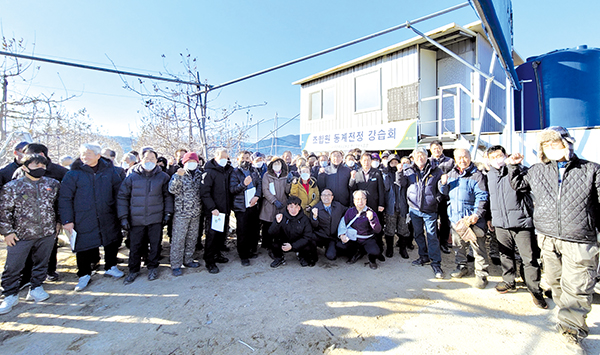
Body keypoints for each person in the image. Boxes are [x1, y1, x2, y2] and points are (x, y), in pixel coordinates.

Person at [506, 126, 600, 350]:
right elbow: (519, 184)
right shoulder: (538, 170)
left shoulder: (590, 170)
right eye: (546, 145)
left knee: (577, 286)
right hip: (547, 237)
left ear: (567, 143)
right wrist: (513, 165)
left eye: (554, 143)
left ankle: (572, 331)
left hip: (579, 238)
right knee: (556, 283)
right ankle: (566, 318)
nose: (550, 148)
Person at [484, 145, 546, 308]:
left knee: (529, 258)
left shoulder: (519, 170)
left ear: (506, 155)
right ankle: (508, 281)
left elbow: (526, 188)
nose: (497, 159)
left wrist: (513, 166)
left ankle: (534, 288)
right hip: (500, 223)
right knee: (505, 255)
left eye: (499, 155)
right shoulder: (489, 175)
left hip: (521, 222)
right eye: (493, 157)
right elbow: (489, 198)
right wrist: (490, 217)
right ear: (489, 160)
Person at [0, 154, 60, 314]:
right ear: (25, 167)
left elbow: (57, 205)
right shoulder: (12, 187)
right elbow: (4, 211)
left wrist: (58, 223)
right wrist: (7, 232)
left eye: (43, 166)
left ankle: (36, 288)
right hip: (20, 235)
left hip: (46, 232)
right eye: (36, 166)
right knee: (13, 266)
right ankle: (10, 295)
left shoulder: (52, 184)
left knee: (42, 263)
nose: (40, 169)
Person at [59, 144, 124, 291]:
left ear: (98, 156)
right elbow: (65, 198)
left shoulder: (110, 171)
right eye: (82, 154)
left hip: (107, 212)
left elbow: (119, 192)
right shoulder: (73, 174)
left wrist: (120, 212)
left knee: (111, 240)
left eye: (88, 154)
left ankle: (111, 266)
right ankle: (84, 274)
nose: (85, 157)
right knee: (83, 244)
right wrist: (67, 220)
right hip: (83, 215)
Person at [118, 149, 173, 284]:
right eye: (146, 158)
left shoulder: (163, 177)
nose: (149, 161)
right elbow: (122, 197)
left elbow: (168, 197)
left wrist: (168, 213)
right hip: (136, 218)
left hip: (156, 218)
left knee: (155, 245)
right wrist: (123, 217)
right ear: (141, 160)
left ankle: (153, 267)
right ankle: (133, 270)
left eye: (152, 158)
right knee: (135, 246)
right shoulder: (132, 177)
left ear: (156, 160)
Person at [442, 148, 490, 289]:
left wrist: (477, 214)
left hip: (471, 219)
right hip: (456, 219)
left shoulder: (477, 175)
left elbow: (482, 197)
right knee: (459, 246)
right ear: (455, 159)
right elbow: (444, 194)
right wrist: (442, 183)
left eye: (465, 157)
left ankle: (481, 274)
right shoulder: (452, 174)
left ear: (470, 157)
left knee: (478, 247)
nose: (462, 160)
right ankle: (462, 266)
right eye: (459, 157)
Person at [399, 148, 445, 278]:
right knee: (418, 234)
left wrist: (436, 200)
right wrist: (399, 172)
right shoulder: (409, 170)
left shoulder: (436, 170)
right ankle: (423, 256)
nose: (420, 158)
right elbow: (401, 184)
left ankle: (436, 262)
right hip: (414, 209)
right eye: (417, 156)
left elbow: (441, 189)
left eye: (423, 155)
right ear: (413, 157)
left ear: (427, 156)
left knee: (431, 235)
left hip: (430, 210)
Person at [168, 152, 203, 276]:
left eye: (194, 161)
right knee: (178, 239)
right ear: (184, 163)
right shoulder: (179, 174)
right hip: (181, 213)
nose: (192, 163)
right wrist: (177, 177)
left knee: (192, 238)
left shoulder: (200, 175)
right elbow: (172, 190)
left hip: (196, 212)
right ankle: (176, 264)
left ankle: (188, 260)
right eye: (189, 161)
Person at [200, 148, 233, 274]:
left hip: (225, 209)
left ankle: (217, 254)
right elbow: (204, 193)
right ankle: (209, 261)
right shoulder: (209, 172)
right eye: (221, 157)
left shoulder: (228, 171)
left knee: (221, 235)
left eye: (226, 157)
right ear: (215, 158)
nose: (224, 160)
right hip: (214, 211)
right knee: (212, 236)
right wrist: (212, 208)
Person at [349, 153, 385, 258]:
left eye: (368, 160)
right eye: (364, 160)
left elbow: (381, 190)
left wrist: (381, 204)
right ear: (360, 161)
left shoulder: (377, 173)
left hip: (374, 204)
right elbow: (352, 188)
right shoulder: (357, 173)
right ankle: (361, 251)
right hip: (360, 205)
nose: (366, 162)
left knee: (376, 227)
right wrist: (352, 178)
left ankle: (379, 251)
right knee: (361, 227)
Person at [230, 151, 262, 266]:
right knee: (242, 231)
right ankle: (243, 255)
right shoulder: (235, 172)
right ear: (238, 159)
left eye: (247, 158)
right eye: (243, 158)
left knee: (253, 230)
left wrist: (257, 197)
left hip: (253, 205)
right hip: (241, 206)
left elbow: (259, 184)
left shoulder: (254, 171)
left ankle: (251, 250)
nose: (245, 160)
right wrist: (243, 184)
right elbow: (233, 189)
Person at [268, 196, 317, 268]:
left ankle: (301, 256)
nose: (293, 210)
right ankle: (279, 257)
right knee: (274, 242)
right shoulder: (282, 216)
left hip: (298, 242)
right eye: (291, 207)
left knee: (309, 244)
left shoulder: (305, 219)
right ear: (287, 207)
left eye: (296, 207)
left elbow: (307, 236)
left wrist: (292, 246)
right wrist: (277, 223)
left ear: (299, 208)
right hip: (285, 241)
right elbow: (271, 232)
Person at [338, 190, 383, 269]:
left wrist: (372, 219)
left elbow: (377, 230)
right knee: (340, 246)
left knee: (375, 251)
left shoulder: (371, 212)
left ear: (366, 200)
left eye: (362, 198)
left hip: (367, 239)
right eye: (357, 199)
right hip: (354, 238)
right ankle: (357, 253)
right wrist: (342, 235)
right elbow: (343, 224)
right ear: (354, 201)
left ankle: (372, 260)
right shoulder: (350, 211)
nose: (360, 201)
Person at [429, 140, 454, 255]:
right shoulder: (428, 162)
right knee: (432, 221)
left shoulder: (450, 162)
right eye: (434, 148)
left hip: (445, 197)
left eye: (438, 148)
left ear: (442, 148)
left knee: (445, 221)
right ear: (430, 150)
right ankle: (434, 242)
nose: (436, 150)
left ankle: (444, 243)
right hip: (431, 197)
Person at [382, 154, 410, 259]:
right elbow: (386, 187)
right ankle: (390, 248)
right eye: (391, 163)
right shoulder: (386, 174)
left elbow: (401, 184)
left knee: (403, 229)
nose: (394, 165)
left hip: (402, 205)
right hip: (390, 206)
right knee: (390, 229)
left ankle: (403, 249)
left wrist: (399, 172)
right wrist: (385, 174)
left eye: (396, 162)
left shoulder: (405, 174)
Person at [259, 157, 289, 253]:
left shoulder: (286, 175)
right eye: (275, 164)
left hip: (282, 203)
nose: (277, 166)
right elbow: (265, 190)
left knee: (280, 224)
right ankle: (266, 244)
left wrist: (289, 183)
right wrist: (274, 200)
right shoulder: (267, 175)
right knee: (268, 224)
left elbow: (288, 191)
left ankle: (279, 243)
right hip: (270, 204)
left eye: (279, 163)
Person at [310, 189, 347, 260]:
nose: (326, 197)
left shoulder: (338, 206)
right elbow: (314, 225)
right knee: (310, 238)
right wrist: (314, 217)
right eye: (324, 195)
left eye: (328, 195)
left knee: (331, 256)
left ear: (332, 197)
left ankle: (331, 248)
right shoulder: (316, 208)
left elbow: (347, 211)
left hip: (332, 237)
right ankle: (313, 255)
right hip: (320, 235)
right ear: (321, 197)